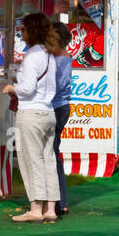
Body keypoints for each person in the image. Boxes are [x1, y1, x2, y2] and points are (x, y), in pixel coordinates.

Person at [1, 13, 60, 224]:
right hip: (48, 112)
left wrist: (11, 88)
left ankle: (35, 208)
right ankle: (50, 208)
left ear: (32, 31)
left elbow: (27, 89)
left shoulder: (32, 56)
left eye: (24, 29)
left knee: (31, 160)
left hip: (31, 114)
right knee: (48, 160)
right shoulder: (48, 55)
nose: (22, 33)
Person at [50, 21, 73, 216]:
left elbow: (55, 87)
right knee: (53, 153)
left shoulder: (62, 60)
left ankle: (58, 200)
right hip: (60, 107)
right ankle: (58, 200)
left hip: (57, 108)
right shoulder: (60, 58)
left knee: (52, 154)